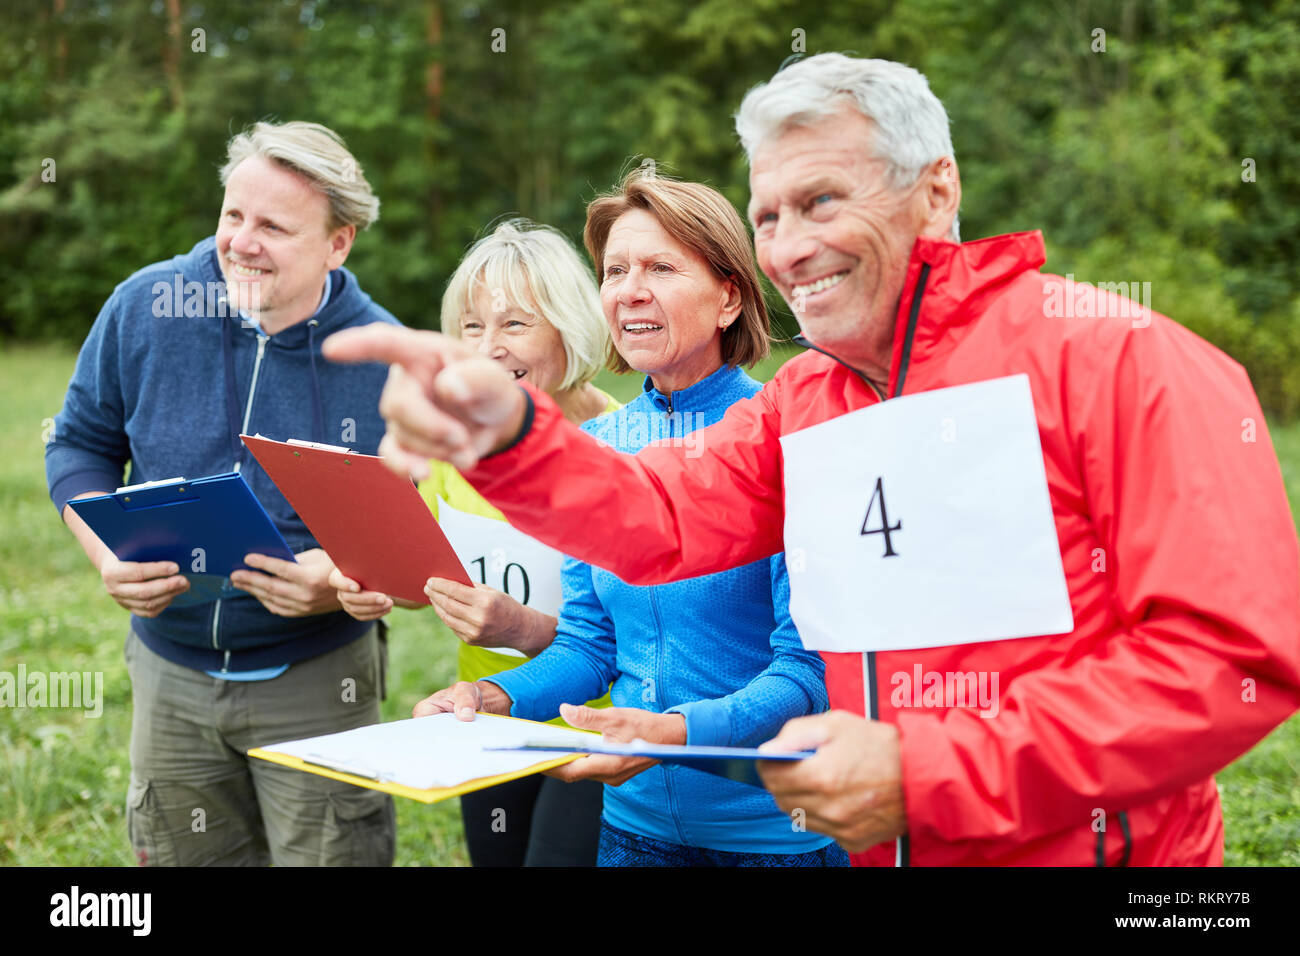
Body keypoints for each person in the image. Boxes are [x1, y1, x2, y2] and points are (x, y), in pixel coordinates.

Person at [324, 54, 1300, 867]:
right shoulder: (812, 399)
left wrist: (924, 772)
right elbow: (659, 516)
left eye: (821, 200)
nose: (788, 246)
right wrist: (509, 433)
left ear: (938, 188)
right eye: (772, 213)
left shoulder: (1122, 358)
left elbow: (1230, 658)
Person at [412, 174, 844, 867]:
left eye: (660, 268)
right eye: (615, 271)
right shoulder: (602, 450)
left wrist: (671, 732)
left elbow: (807, 673)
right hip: (632, 834)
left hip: (773, 838)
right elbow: (590, 646)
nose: (629, 290)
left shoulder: (787, 439)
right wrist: (492, 694)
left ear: (730, 296)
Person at [46, 121, 402, 866]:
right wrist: (104, 552)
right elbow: (79, 441)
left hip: (317, 680)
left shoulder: (384, 359)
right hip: (169, 673)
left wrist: (338, 582)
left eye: (273, 225)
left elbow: (404, 542)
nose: (240, 241)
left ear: (339, 244)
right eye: (232, 215)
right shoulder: (145, 307)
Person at [328, 218, 618, 867]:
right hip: (480, 715)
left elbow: (655, 632)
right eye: (471, 327)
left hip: (596, 726)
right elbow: (413, 577)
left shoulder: (623, 444)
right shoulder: (448, 443)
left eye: (514, 324)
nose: (488, 347)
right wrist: (370, 583)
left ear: (568, 325)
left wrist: (525, 627)